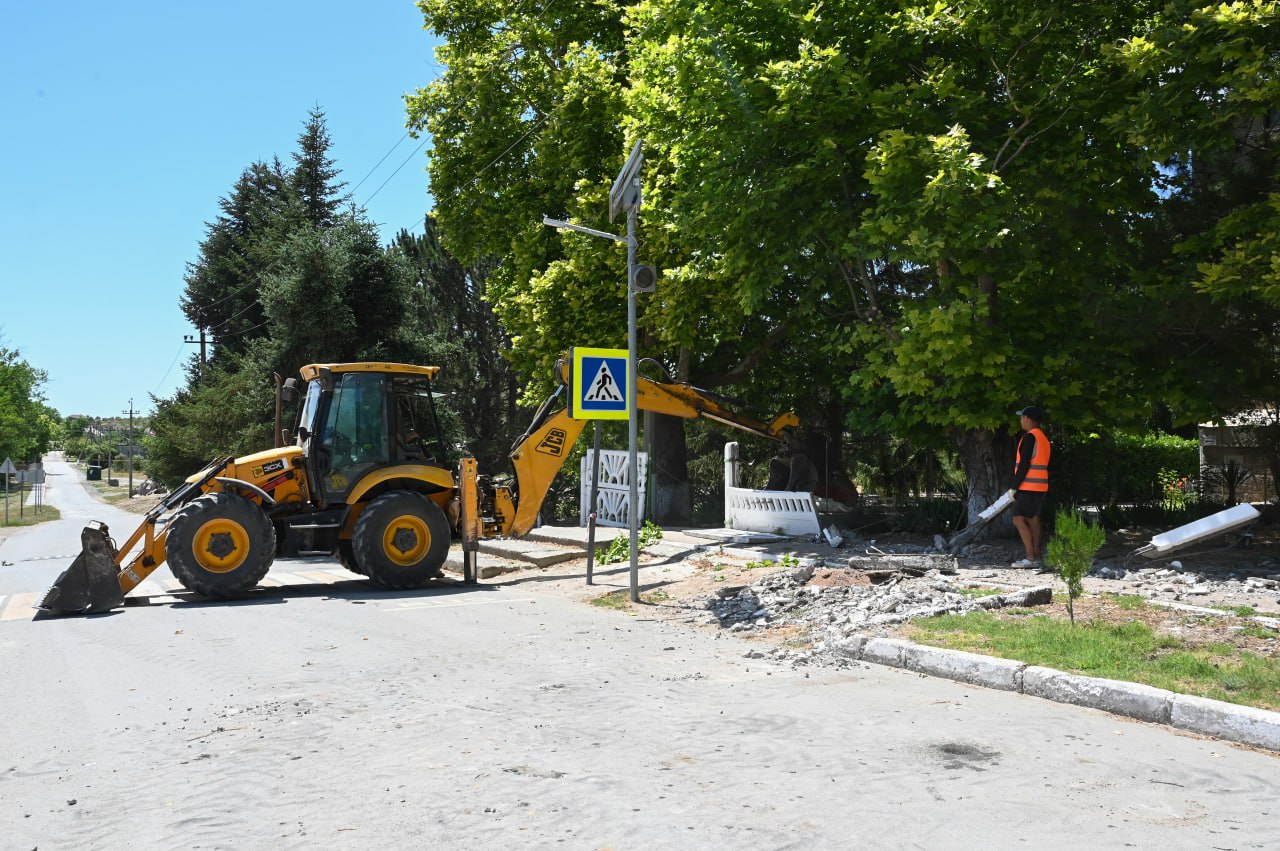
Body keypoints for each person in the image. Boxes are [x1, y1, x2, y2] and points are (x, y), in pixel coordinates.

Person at [1010, 405, 1050, 568]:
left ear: (1027, 418)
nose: (1020, 420)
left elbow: (1024, 465)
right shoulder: (1043, 438)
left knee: (1018, 519)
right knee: (1034, 520)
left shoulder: (1029, 437)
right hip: (1040, 487)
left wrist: (1014, 487)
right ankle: (1037, 557)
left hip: (1027, 487)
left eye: (1021, 417)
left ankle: (1030, 558)